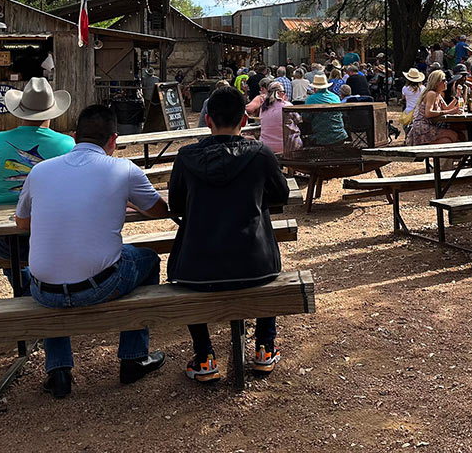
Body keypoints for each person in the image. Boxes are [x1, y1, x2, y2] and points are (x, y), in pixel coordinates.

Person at [16, 104, 169, 398]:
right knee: (148, 260)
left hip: (44, 290)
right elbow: (159, 210)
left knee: (36, 272)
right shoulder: (123, 169)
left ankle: (59, 370)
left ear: (74, 137)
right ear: (114, 140)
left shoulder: (40, 171)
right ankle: (133, 356)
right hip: (100, 286)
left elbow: (23, 223)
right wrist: (127, 201)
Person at [167, 87, 289, 382]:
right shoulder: (260, 154)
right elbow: (281, 194)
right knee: (267, 264)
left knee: (181, 277)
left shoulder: (186, 157)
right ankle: (264, 347)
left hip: (197, 269)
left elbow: (176, 205)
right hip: (255, 264)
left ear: (207, 120)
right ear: (245, 121)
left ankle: (205, 356)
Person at [0, 77, 75, 291]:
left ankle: (26, 290)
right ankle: (45, 291)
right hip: (54, 238)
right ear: (52, 112)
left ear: (19, 110)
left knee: (14, 260)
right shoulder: (67, 144)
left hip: (5, 240)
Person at [406, 70, 463, 146]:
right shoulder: (431, 94)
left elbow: (446, 108)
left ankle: (435, 155)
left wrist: (457, 97)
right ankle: (428, 149)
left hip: (431, 125)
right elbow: (428, 113)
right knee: (452, 136)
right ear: (437, 82)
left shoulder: (438, 94)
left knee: (452, 138)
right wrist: (450, 111)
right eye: (444, 80)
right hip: (422, 127)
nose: (446, 82)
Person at [304, 73, 348, 145]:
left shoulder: (311, 99)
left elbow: (306, 117)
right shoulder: (335, 97)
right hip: (340, 135)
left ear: (315, 88)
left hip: (321, 138)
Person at [257, 81, 292, 154]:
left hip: (265, 147)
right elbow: (298, 120)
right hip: (284, 147)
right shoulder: (287, 106)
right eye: (283, 91)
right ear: (279, 93)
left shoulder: (263, 107)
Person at [400, 68, 426, 134]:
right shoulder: (423, 88)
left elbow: (403, 98)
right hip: (419, 111)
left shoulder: (405, 88)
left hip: (408, 111)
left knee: (406, 128)